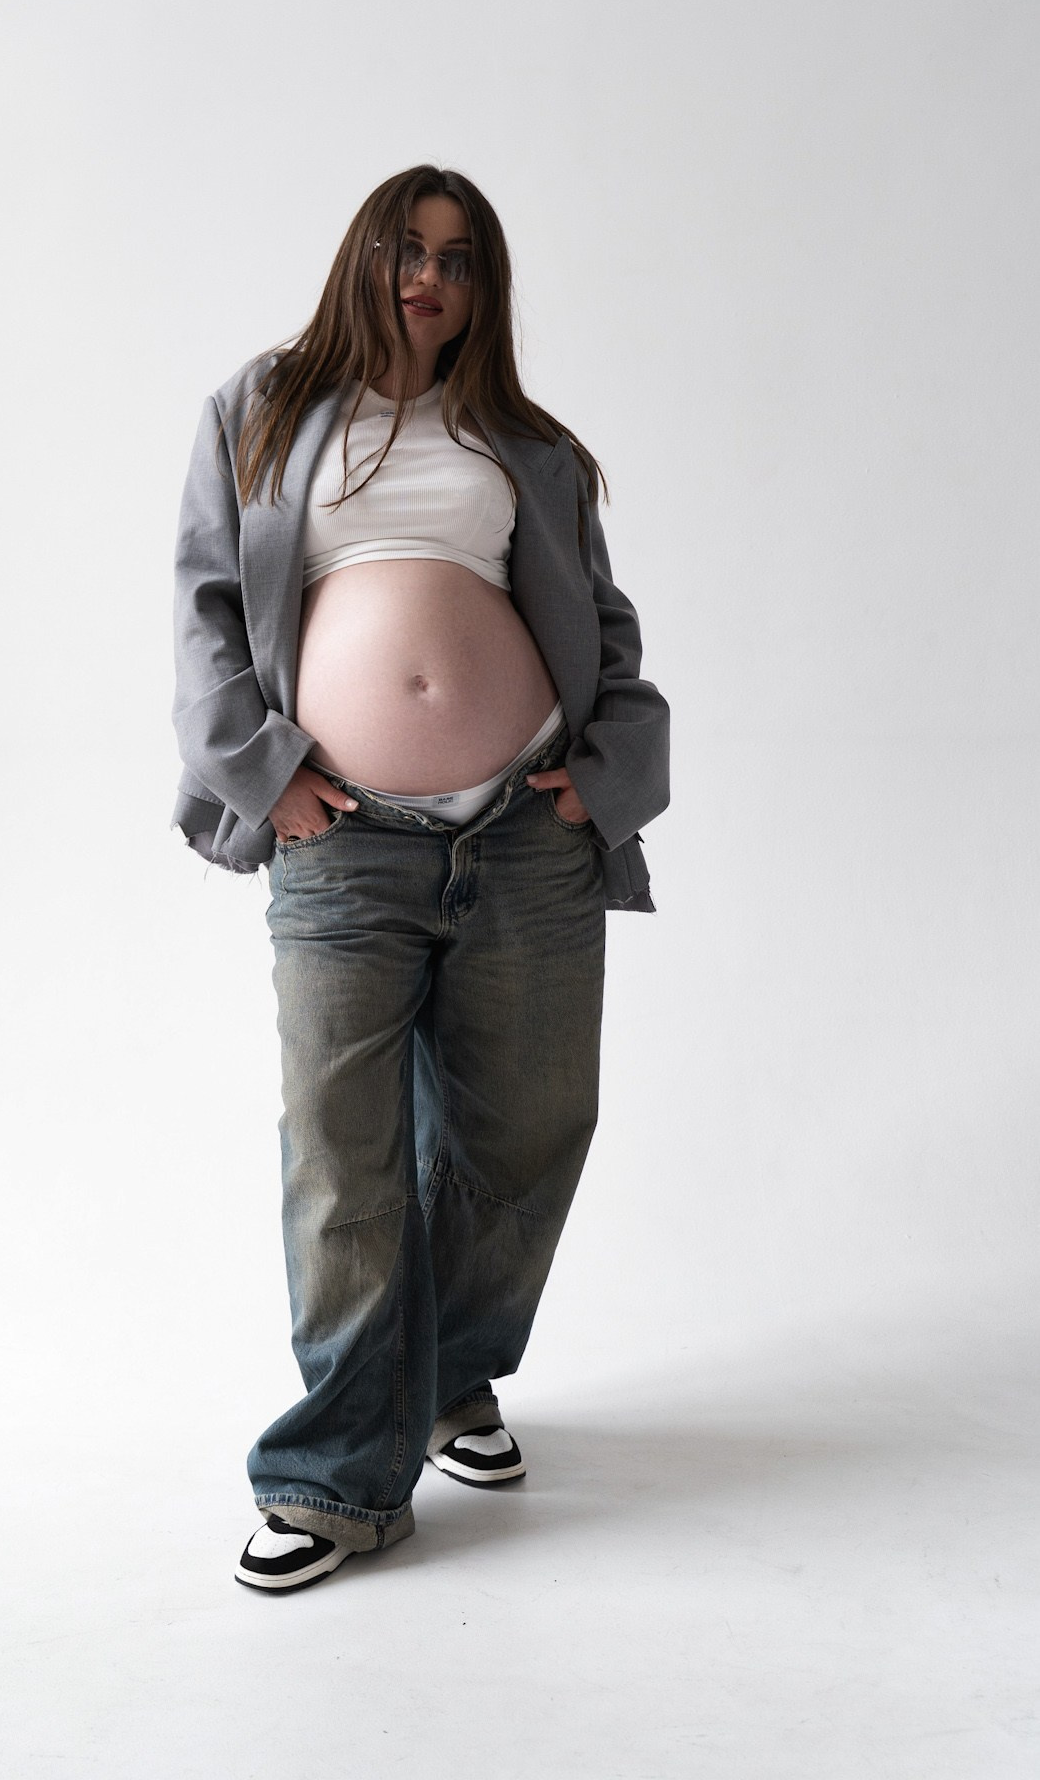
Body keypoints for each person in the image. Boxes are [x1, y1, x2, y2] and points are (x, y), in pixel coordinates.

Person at [170, 164, 670, 1593]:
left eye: (458, 258)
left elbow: (604, 631)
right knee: (345, 1156)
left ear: (483, 286)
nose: (427, 277)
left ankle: (445, 1376)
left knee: (529, 1129)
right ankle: (335, 1476)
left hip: (525, 830)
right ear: (363, 258)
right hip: (343, 839)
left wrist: (605, 779)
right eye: (406, 248)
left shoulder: (525, 445)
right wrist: (261, 770)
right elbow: (207, 607)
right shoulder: (263, 410)